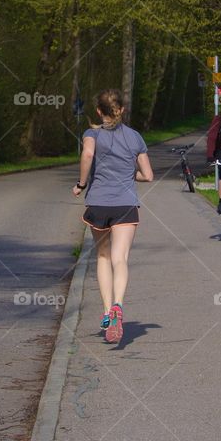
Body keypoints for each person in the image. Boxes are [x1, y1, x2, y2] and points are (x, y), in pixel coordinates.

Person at [72, 89, 154, 344]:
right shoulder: (135, 137)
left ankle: (107, 312)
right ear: (122, 110)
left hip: (98, 203)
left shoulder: (92, 134)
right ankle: (119, 305)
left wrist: (81, 184)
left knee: (103, 256)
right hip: (125, 205)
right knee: (121, 258)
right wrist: (130, 176)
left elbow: (87, 155)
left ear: (98, 111)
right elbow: (148, 175)